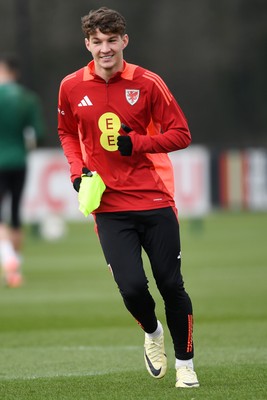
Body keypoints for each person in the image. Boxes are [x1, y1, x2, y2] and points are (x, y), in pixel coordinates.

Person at [58, 7, 199, 388]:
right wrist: (76, 171)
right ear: (87, 43)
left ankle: (186, 364)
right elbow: (66, 131)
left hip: (154, 199)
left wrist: (137, 144)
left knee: (171, 285)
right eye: (97, 42)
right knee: (133, 287)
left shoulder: (148, 82)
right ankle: (152, 334)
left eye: (112, 40)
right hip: (109, 206)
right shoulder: (71, 85)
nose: (105, 49)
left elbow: (181, 134)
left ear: (124, 40)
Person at [0, 54, 45, 287]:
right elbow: (37, 134)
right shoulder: (28, 99)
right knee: (15, 213)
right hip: (19, 161)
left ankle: (8, 259)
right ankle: (14, 271)